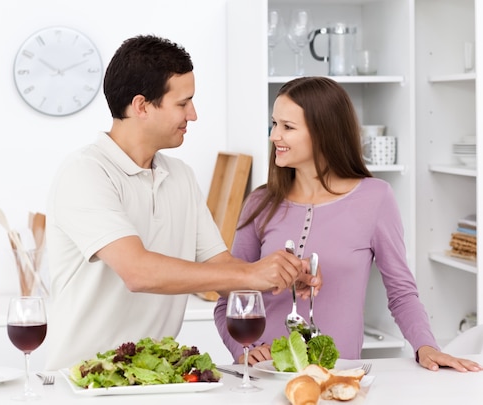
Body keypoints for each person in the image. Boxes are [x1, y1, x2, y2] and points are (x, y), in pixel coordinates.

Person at [44, 35, 319, 371]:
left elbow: (220, 272)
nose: (193, 114)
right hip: (83, 382)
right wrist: (252, 273)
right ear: (142, 106)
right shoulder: (85, 172)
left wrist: (282, 276)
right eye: (183, 103)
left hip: (157, 379)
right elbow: (137, 272)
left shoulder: (180, 176)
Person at [214, 76, 481, 372]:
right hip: (264, 377)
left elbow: (401, 292)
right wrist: (244, 351)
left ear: (324, 132)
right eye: (274, 124)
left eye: (287, 127)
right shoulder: (261, 202)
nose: (275, 135)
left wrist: (426, 347)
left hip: (338, 378)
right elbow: (228, 298)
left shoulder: (375, 197)